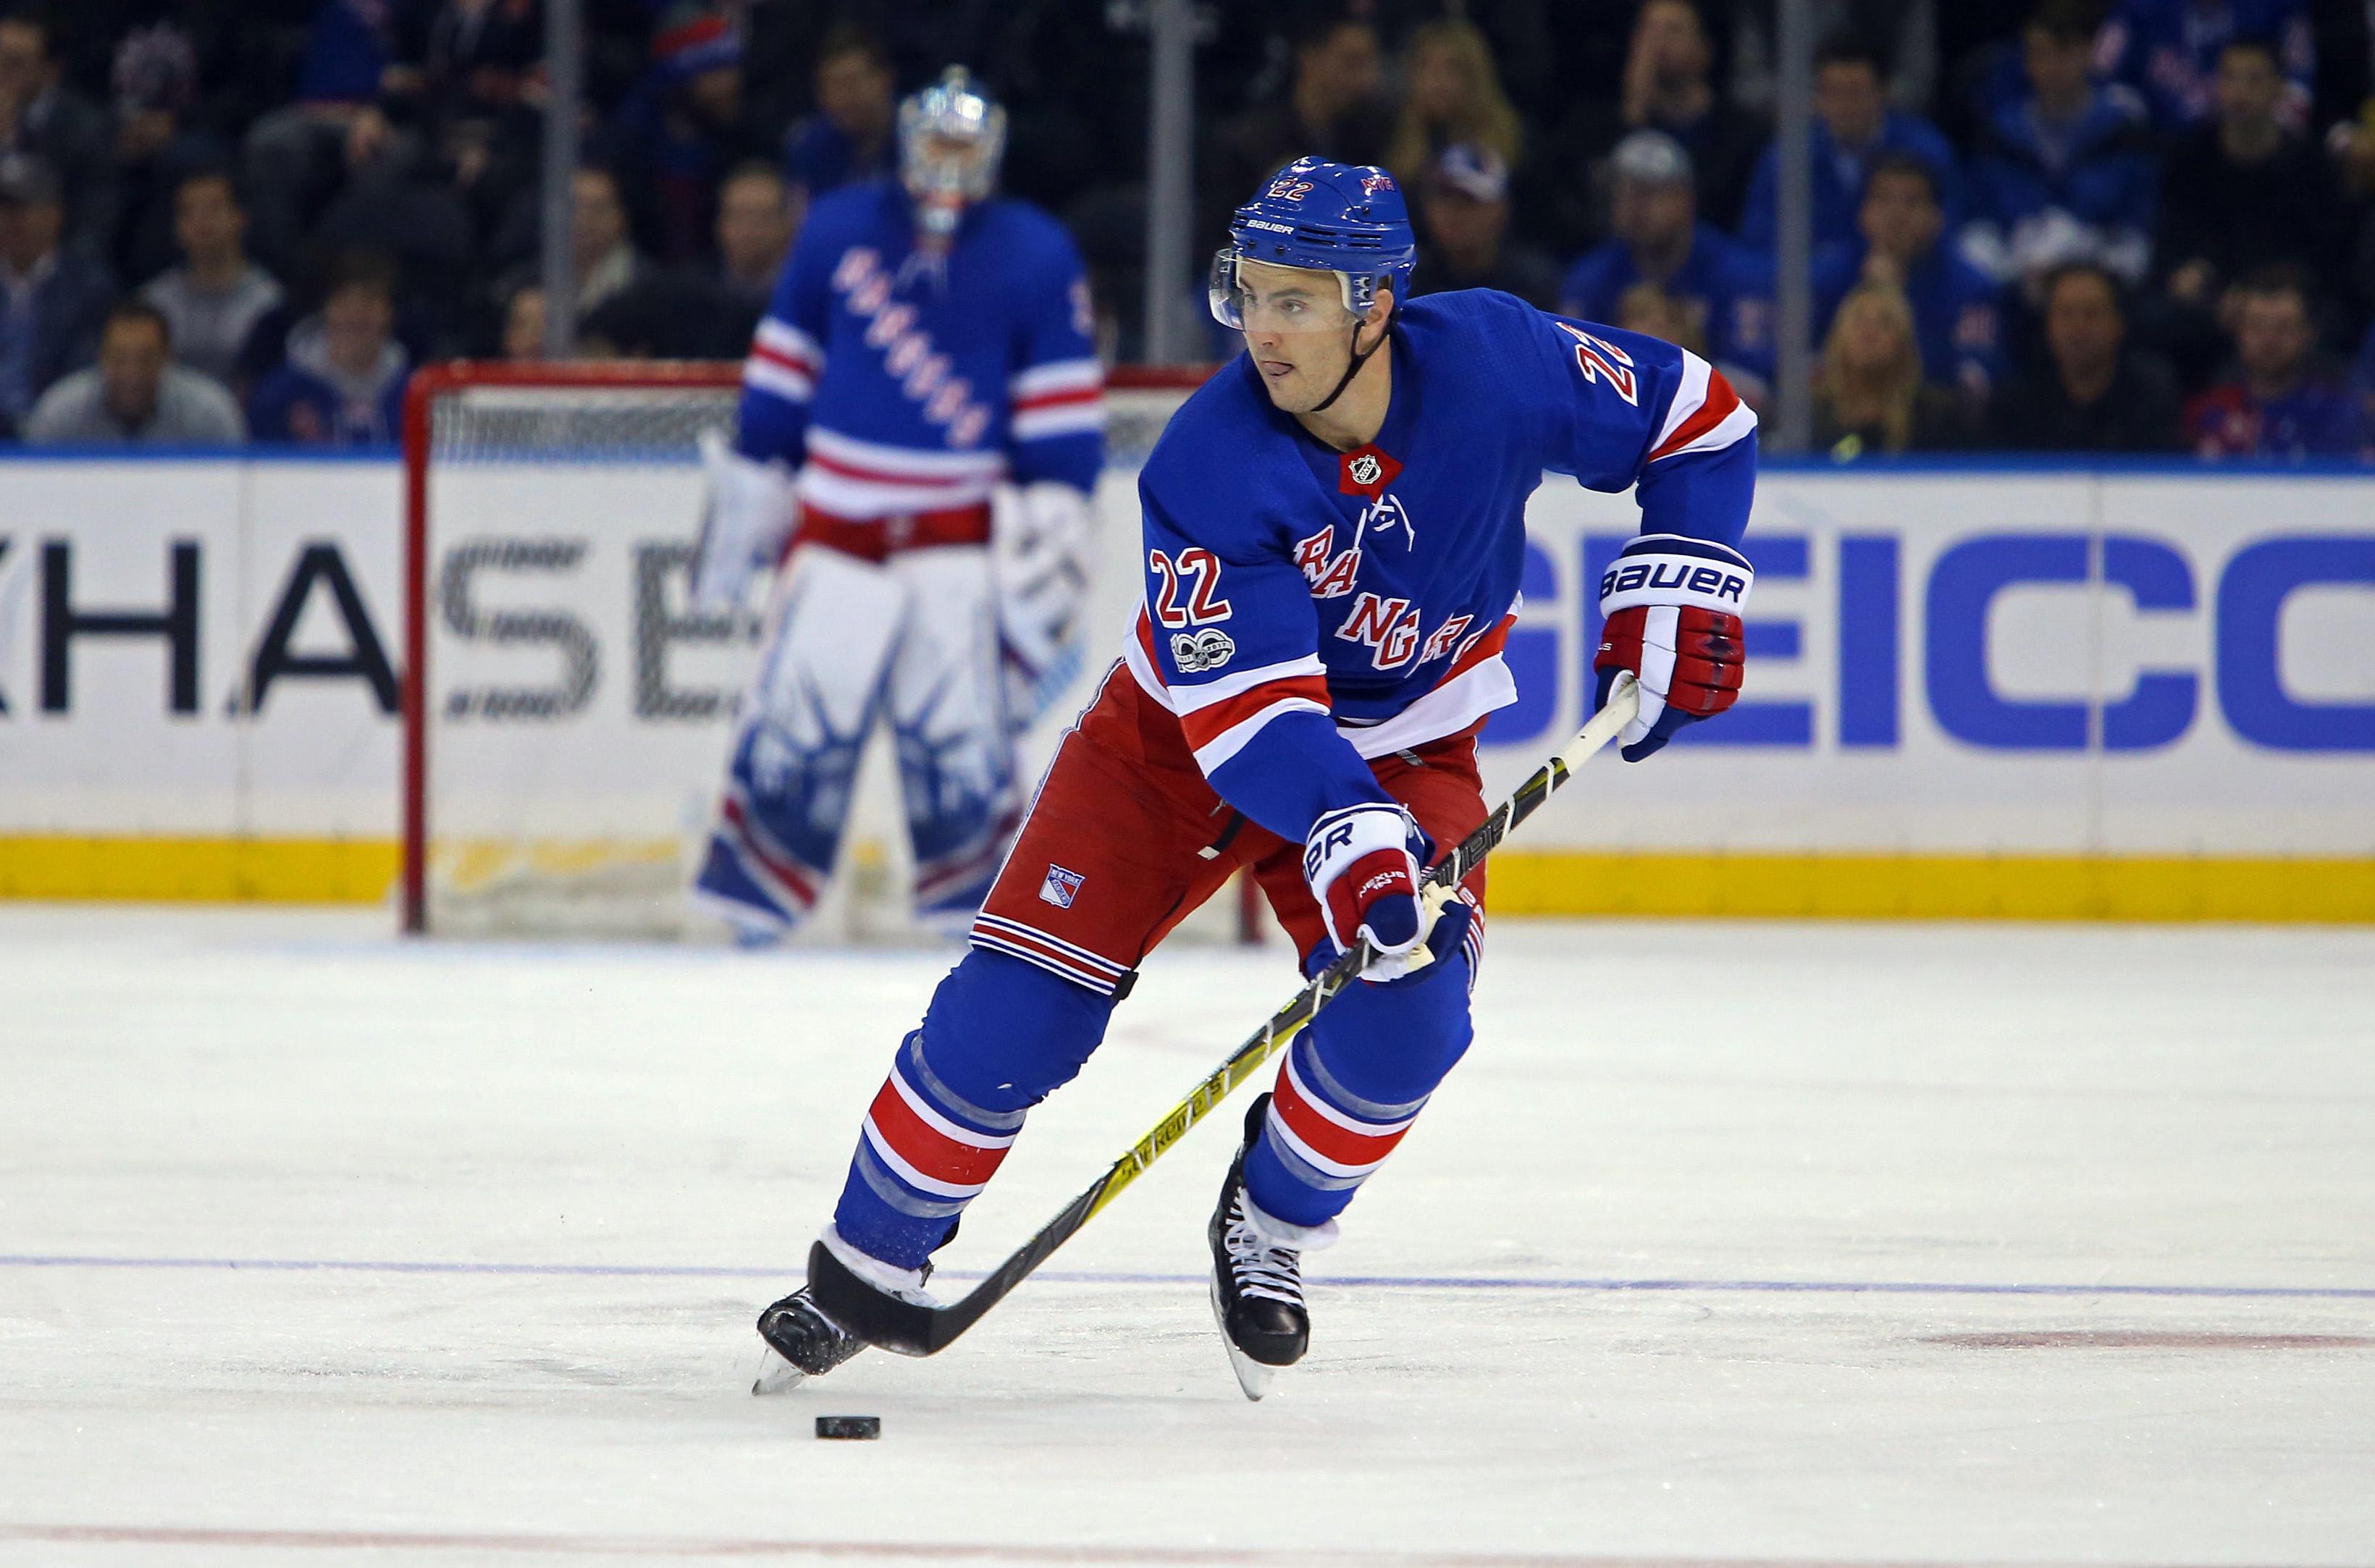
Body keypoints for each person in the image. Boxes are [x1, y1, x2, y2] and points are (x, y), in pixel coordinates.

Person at [747, 156, 1757, 1399]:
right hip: (1176, 746)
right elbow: (1257, 718)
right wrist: (1346, 830)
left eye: (1295, 303)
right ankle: (868, 1257)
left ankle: (1268, 1221)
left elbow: (1701, 418)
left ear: (1375, 305)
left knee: (1413, 1015)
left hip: (1406, 739)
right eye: (1251, 296)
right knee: (1013, 1018)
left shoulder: (1500, 362)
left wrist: (1682, 575)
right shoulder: (1209, 462)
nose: (1260, 333)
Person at [685, 70, 1106, 941]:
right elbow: (782, 377)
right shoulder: (836, 227)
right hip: (836, 538)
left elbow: (1058, 423)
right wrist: (756, 482)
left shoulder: (1035, 251)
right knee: (795, 739)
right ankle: (750, 921)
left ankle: (976, 926)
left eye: (965, 147)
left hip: (953, 550)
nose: (948, 164)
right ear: (908, 145)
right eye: (937, 144)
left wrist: (1055, 523)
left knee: (959, 756)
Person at [1960, 1, 2159, 293]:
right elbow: (1979, 220)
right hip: (2015, 281)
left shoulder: (2124, 133)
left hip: (2099, 278)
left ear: (2088, 52)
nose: (2049, 66)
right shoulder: (2000, 135)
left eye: (2062, 52)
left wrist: (2086, 252)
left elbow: (2137, 226)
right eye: (2038, 54)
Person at [2154, 38, 2342, 319]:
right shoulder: (2189, 158)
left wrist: (2259, 295)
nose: (2240, 91)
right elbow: (2171, 241)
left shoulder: (2310, 165)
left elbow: (2322, 258)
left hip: (2284, 303)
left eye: (2254, 80)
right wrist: (2187, 275)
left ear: (2279, 88)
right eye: (2230, 78)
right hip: (2208, 302)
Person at [1738, 33, 1958, 251]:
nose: (1844, 105)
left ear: (1883, 91)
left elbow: (1950, 231)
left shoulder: (1926, 150)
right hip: (1817, 282)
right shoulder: (1787, 156)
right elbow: (1759, 241)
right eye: (1833, 92)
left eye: (1855, 92)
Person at [1812, 153, 2002, 402]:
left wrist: (1895, 297)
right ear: (1863, 213)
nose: (1896, 215)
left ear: (1938, 218)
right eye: (1883, 200)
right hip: (1837, 427)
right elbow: (1801, 365)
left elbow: (1973, 382)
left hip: (1933, 430)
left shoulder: (1971, 290)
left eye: (1911, 202)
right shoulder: (1827, 279)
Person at [1560, 132, 1751, 371]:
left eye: (1649, 193)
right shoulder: (1593, 278)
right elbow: (1575, 372)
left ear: (1685, 198)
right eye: (1625, 193)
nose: (1635, 207)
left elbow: (1751, 381)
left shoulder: (1731, 272)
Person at [1203, 12, 1392, 250]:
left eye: (1371, 65)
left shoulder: (1370, 136)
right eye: (1352, 62)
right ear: (1309, 58)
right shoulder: (1250, 143)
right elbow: (1219, 240)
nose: (1368, 80)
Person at [1987, 261, 2183, 450]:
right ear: (2048, 325)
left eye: (2092, 314)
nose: (2078, 328)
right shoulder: (2016, 401)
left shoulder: (2150, 395)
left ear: (2119, 323)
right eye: (2066, 314)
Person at [2184, 266, 2363, 457]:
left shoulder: (2340, 414)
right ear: (2238, 331)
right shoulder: (2208, 413)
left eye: (2283, 328)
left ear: (2308, 333)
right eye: (2256, 327)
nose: (2269, 340)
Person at [22, 298, 243, 444]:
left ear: (168, 359)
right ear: (101, 358)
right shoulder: (61, 415)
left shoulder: (209, 415)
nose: (132, 373)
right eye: (119, 358)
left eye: (145, 359)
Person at [0, 153, 114, 437]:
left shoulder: (91, 289)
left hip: (63, 436)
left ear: (54, 214)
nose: (12, 221)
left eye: (23, 208)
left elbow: (87, 375)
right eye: (4, 210)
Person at [246, 250, 409, 445]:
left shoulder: (413, 394)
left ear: (389, 313)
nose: (355, 315)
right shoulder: (279, 394)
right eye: (344, 302)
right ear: (327, 309)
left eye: (369, 302)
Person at [140, 170, 285, 389]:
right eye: (188, 212)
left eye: (213, 209)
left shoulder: (268, 301)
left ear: (240, 217)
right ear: (176, 226)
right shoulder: (155, 301)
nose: (201, 221)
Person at [2094, 0, 2315, 132]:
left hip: (2255, 151)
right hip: (2162, 151)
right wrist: (2132, 124)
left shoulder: (2275, 7)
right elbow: (2100, 76)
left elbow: (2300, 77)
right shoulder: (2140, 10)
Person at [0, 11, 115, 262]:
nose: (1, 72)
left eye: (13, 63)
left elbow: (93, 227)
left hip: (57, 266)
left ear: (49, 71)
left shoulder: (87, 131)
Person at [1812, 281, 1969, 457]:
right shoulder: (1811, 418)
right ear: (1838, 338)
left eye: (1884, 323)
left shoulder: (1935, 418)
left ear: (1904, 342)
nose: (1869, 334)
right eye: (1859, 321)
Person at [1409, 145, 1559, 309]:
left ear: (1500, 209)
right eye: (1444, 199)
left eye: (1467, 201)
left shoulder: (1534, 284)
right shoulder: (1406, 280)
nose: (1452, 213)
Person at [1382, 20, 1523, 191]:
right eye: (1425, 67)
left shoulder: (1510, 148)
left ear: (1475, 77)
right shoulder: (1387, 136)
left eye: (1451, 69)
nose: (1436, 82)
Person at [783, 25, 896, 206]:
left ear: (885, 78)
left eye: (853, 83)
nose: (844, 97)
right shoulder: (810, 146)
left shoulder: (921, 136)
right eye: (833, 86)